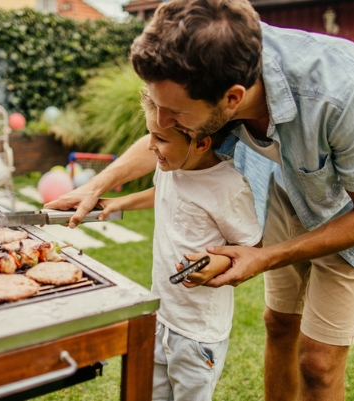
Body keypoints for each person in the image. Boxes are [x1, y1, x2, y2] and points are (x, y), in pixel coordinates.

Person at [45, 0, 354, 399]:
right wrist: (99, 184)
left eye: (175, 114)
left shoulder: (339, 89)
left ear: (232, 99)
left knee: (318, 362)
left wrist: (265, 256)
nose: (161, 123)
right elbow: (164, 141)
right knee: (279, 324)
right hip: (283, 190)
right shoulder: (211, 64)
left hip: (351, 208)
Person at [96, 91, 262, 400]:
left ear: (200, 143)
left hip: (197, 334)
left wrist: (218, 264)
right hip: (161, 316)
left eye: (160, 138)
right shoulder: (171, 165)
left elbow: (251, 247)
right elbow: (161, 194)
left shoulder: (228, 188)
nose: (150, 146)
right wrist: (118, 202)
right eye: (151, 134)